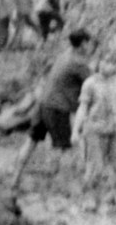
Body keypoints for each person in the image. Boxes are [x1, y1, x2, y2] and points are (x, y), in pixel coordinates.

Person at [11, 28, 95, 191]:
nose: (90, 46)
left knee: (31, 141)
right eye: (88, 43)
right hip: (57, 109)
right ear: (83, 44)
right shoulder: (79, 64)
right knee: (65, 148)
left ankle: (15, 179)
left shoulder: (65, 55)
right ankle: (68, 188)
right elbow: (94, 85)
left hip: (42, 104)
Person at [74, 62, 116, 211]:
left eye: (112, 63)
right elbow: (83, 108)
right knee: (95, 170)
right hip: (95, 132)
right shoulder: (90, 83)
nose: (109, 66)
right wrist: (75, 131)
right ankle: (92, 202)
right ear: (100, 64)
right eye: (106, 62)